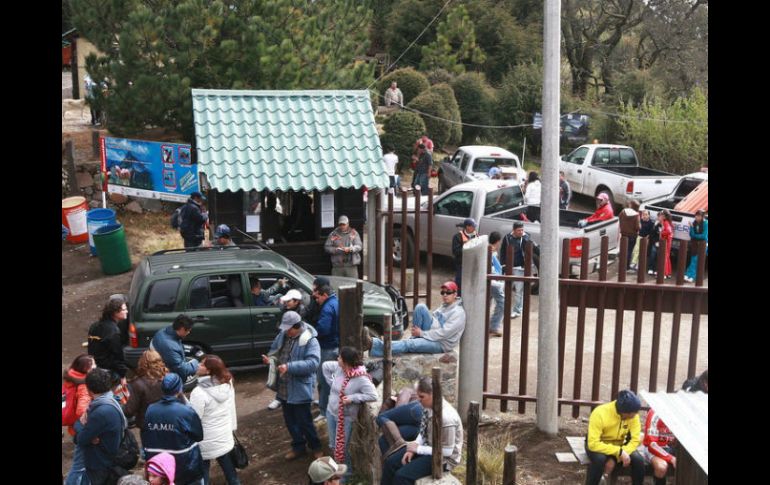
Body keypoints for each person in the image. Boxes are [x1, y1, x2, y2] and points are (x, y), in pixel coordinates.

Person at [261, 311, 323, 460]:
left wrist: (290, 367)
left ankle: (316, 447)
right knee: (290, 421)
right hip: (284, 386)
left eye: (289, 329)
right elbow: (274, 352)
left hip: (300, 387)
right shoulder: (283, 335)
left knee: (305, 421)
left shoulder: (310, 341)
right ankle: (298, 446)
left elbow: (313, 363)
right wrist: (270, 360)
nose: (286, 331)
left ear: (298, 326)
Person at [381, 376, 463, 485]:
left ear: (433, 395)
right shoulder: (427, 407)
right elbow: (423, 430)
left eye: (422, 396)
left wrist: (418, 449)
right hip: (428, 448)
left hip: (444, 459)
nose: (418, 400)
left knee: (401, 476)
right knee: (390, 463)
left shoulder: (447, 418)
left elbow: (447, 452)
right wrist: (413, 447)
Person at [366, 281, 466, 357]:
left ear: (455, 294)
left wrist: (422, 333)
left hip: (441, 344)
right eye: (443, 292)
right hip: (434, 333)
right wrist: (421, 332)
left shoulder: (458, 313)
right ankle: (415, 339)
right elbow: (434, 318)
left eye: (448, 293)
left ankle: (374, 345)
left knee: (409, 344)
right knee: (420, 307)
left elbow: (443, 334)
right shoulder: (446, 305)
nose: (444, 295)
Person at [323, 347, 377, 480]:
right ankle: (337, 470)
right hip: (331, 412)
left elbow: (373, 395)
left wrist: (353, 398)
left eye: (340, 358)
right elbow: (324, 366)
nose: (337, 359)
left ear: (346, 361)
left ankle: (346, 475)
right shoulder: (339, 368)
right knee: (333, 445)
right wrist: (333, 384)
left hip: (346, 418)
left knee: (342, 447)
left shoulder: (361, 378)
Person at [142, 373, 205, 485]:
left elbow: (145, 436)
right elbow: (199, 435)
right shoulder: (185, 411)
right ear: (179, 389)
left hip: (160, 469)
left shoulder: (150, 410)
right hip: (185, 467)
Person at [190, 355, 240, 485]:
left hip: (204, 441)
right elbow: (231, 408)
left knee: (203, 472)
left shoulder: (198, 392)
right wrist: (232, 428)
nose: (198, 366)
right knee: (230, 471)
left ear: (208, 371)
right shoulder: (227, 382)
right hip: (224, 436)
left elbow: (194, 419)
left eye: (201, 364)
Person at [74, 368, 128, 485]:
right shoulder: (112, 400)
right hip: (109, 456)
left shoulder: (100, 412)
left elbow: (81, 439)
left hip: (100, 462)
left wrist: (82, 425)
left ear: (89, 390)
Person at [584, 389, 644, 485]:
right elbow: (593, 444)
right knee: (599, 460)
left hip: (620, 445)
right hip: (599, 445)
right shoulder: (599, 413)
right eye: (631, 414)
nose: (634, 416)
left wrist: (617, 457)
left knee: (639, 460)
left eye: (635, 413)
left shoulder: (633, 415)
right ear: (622, 411)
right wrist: (619, 452)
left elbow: (635, 440)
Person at [64, 354, 97, 485]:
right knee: (79, 464)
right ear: (86, 369)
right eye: (93, 364)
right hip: (81, 426)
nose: (95, 366)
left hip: (74, 425)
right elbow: (81, 409)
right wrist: (90, 424)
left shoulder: (72, 376)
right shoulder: (84, 385)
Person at [499, 221, 540, 319]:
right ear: (513, 230)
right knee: (505, 289)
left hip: (520, 268)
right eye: (519, 230)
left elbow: (533, 247)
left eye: (522, 230)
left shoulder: (526, 237)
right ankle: (503, 310)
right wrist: (503, 265)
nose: (521, 232)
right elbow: (503, 251)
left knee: (518, 291)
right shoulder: (507, 238)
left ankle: (517, 310)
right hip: (509, 267)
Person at [88, 297, 130, 387]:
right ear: (115, 312)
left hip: (95, 367)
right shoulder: (113, 332)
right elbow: (118, 356)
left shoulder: (94, 326)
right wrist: (122, 375)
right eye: (124, 309)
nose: (127, 311)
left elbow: (91, 348)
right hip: (108, 371)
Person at [314, 284, 340, 423]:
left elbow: (323, 328)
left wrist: (313, 332)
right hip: (335, 345)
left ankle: (324, 411)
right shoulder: (337, 302)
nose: (316, 300)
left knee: (324, 380)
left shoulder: (327, 308)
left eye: (317, 297)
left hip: (327, 347)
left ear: (324, 295)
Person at [125, 350, 167, 433]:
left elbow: (129, 411)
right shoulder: (169, 378)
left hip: (148, 425)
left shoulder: (138, 384)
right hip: (168, 421)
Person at [150, 314, 201, 383]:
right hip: (170, 381)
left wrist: (190, 350)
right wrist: (196, 362)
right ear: (182, 329)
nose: (188, 333)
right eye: (188, 330)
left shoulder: (164, 331)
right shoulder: (170, 347)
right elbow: (182, 370)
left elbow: (176, 348)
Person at [451, 218, 479, 295]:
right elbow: (455, 251)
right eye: (473, 226)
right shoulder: (457, 237)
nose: (474, 228)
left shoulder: (476, 235)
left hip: (472, 265)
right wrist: (466, 245)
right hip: (461, 264)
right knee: (460, 283)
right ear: (467, 227)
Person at [487, 231, 505, 337]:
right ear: (498, 241)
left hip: (494, 280)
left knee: (488, 303)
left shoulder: (491, 251)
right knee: (502, 303)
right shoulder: (490, 251)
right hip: (493, 281)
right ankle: (494, 326)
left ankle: (487, 325)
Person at [684, 209, 708, 283]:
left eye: (698, 216)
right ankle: (688, 275)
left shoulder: (706, 223)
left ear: (702, 217)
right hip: (695, 244)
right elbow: (691, 234)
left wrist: (695, 235)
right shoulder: (694, 223)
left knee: (696, 260)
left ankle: (690, 275)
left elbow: (704, 236)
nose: (696, 217)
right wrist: (691, 228)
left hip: (703, 244)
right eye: (696, 216)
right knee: (693, 259)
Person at [618, 199, 641, 271]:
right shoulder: (636, 215)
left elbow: (619, 218)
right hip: (632, 236)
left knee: (623, 250)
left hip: (623, 234)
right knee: (629, 251)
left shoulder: (623, 211)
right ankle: (626, 266)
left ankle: (621, 265)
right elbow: (637, 227)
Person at [657, 209, 674, 279]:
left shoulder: (665, 222)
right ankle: (668, 273)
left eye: (660, 216)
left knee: (664, 257)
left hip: (665, 242)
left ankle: (664, 273)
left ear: (664, 216)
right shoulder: (667, 222)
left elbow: (668, 231)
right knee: (667, 257)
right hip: (667, 241)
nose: (659, 217)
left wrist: (661, 232)